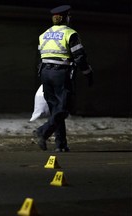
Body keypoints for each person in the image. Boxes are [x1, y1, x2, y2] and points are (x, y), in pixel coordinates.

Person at [34, 5, 93, 152]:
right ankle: (42, 132)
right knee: (64, 108)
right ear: (65, 17)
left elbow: (41, 55)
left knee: (56, 109)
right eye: (69, 16)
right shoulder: (70, 33)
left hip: (45, 73)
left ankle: (60, 145)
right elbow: (79, 56)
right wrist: (87, 72)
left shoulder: (44, 34)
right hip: (61, 74)